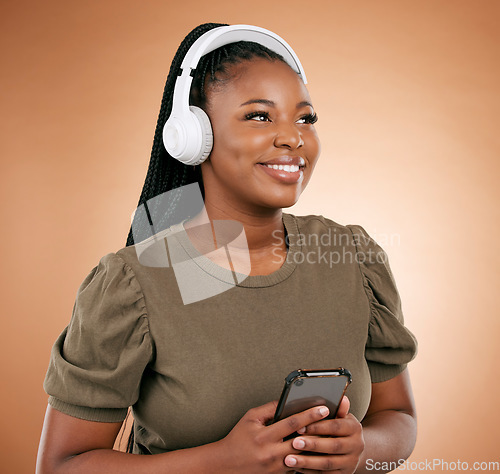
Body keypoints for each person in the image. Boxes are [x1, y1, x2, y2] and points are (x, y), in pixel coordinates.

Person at [37, 22, 418, 473]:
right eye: (259, 116)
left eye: (305, 118)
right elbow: (62, 465)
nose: (292, 137)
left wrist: (362, 450)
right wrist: (221, 461)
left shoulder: (351, 256)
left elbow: (399, 419)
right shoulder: (133, 283)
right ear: (194, 134)